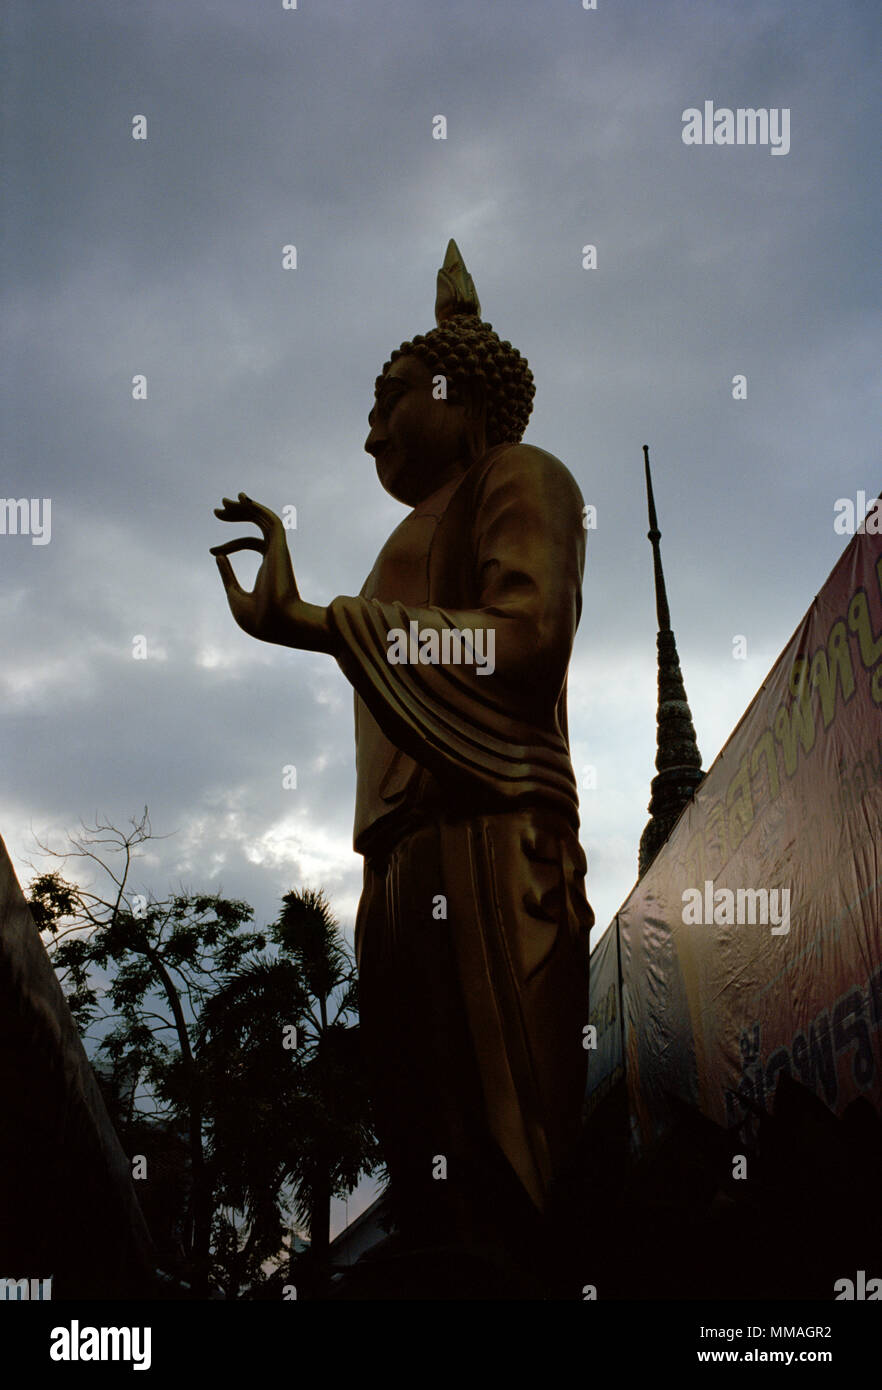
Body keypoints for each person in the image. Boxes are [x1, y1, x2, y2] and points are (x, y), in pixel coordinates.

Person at [211, 242, 593, 1284]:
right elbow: (404, 644)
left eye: (389, 398)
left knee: (502, 1138)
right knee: (419, 1112)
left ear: (454, 392)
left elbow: (521, 638)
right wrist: (309, 623)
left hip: (490, 837)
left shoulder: (523, 478)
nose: (371, 426)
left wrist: (331, 622)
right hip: (397, 857)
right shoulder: (399, 547)